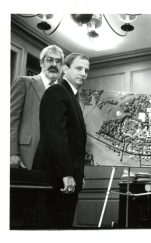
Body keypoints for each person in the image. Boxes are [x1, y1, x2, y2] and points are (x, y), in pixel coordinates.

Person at [33, 53, 90, 228]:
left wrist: (78, 175)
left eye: (86, 70)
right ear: (65, 69)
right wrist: (67, 173)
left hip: (66, 178)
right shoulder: (57, 91)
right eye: (79, 68)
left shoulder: (71, 96)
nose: (84, 73)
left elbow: (73, 142)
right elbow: (55, 136)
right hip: (58, 178)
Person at [10, 45, 64, 169]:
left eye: (58, 61)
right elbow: (10, 120)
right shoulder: (24, 82)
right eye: (50, 60)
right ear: (41, 62)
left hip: (55, 161)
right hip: (27, 155)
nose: (54, 64)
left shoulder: (64, 93)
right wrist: (12, 152)